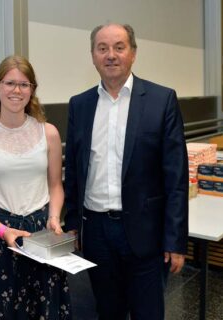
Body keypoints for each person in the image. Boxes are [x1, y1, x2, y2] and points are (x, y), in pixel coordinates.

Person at [64, 23, 189, 320]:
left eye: (119, 47)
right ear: (93, 56)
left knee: (148, 313)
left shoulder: (162, 100)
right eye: (102, 48)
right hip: (95, 232)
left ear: (133, 53)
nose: (111, 55)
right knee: (108, 311)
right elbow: (74, 170)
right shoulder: (80, 105)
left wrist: (175, 240)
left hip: (146, 233)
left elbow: (176, 178)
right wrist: (73, 223)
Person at [0, 55, 72, 319]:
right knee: (2, 309)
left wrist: (54, 218)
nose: (16, 90)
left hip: (41, 232)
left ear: (32, 89)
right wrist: (1, 230)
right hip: (0, 233)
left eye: (24, 84)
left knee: (44, 308)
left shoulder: (49, 133)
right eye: (10, 83)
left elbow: (55, 185)